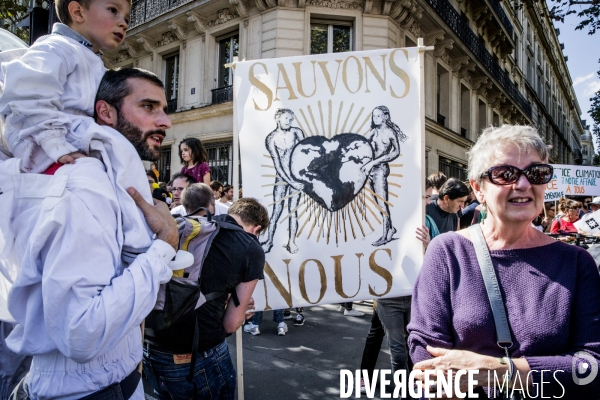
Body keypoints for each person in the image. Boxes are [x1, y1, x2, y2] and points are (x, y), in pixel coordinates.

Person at [4, 67, 179, 399]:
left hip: (111, 383)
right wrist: (165, 245)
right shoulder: (85, 186)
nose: (165, 121)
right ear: (105, 112)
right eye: (148, 107)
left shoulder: (108, 180)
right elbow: (81, 331)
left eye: (164, 109)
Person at [408, 125, 600, 398]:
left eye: (536, 173)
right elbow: (426, 358)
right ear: (478, 188)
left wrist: (500, 371)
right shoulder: (447, 251)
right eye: (504, 174)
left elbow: (591, 367)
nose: (523, 184)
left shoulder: (577, 263)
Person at [0, 0, 165, 265]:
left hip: (71, 139)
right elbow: (29, 92)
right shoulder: (55, 48)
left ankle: (138, 241)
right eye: (113, 10)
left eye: (126, 15)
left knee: (125, 169)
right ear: (77, 12)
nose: (123, 21)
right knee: (121, 158)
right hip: (48, 145)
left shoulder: (88, 58)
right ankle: (138, 245)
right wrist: (56, 145)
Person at [143, 188, 266, 400]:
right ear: (257, 229)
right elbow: (231, 324)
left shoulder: (189, 227)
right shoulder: (250, 248)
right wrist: (241, 309)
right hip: (201, 356)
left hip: (151, 350)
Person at [361, 106, 407, 246]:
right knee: (377, 201)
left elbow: (395, 152)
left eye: (379, 116)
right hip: (370, 170)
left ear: (386, 116)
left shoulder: (390, 133)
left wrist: (375, 162)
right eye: (374, 116)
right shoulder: (374, 132)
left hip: (380, 170)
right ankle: (391, 228)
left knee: (382, 202)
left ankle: (385, 234)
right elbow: (362, 143)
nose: (376, 119)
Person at [262, 108, 305, 254]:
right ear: (278, 119)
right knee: (276, 211)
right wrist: (290, 181)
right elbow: (278, 166)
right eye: (286, 118)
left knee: (293, 211)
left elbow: (305, 153)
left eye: (291, 119)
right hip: (282, 178)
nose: (289, 121)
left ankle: (291, 241)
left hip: (296, 176)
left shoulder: (297, 132)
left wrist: (302, 176)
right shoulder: (271, 138)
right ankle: (269, 241)